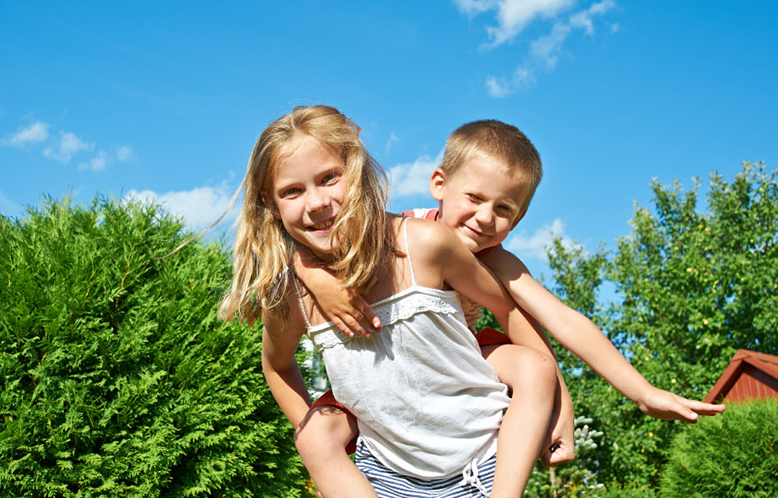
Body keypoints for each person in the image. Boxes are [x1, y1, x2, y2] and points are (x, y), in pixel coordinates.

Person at [290, 117, 727, 495]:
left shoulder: (497, 261)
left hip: (462, 361)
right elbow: (323, 235)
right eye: (475, 199)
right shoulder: (407, 233)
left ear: (517, 221)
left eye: (504, 209)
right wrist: (311, 275)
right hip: (389, 367)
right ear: (439, 184)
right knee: (317, 432)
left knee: (530, 365)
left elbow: (561, 322)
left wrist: (637, 393)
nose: (485, 218)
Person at [223, 105, 561, 498]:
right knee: (313, 435)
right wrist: (318, 434)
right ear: (270, 204)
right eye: (292, 191)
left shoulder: (423, 244)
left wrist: (559, 402)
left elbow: (509, 307)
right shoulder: (290, 298)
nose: (315, 203)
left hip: (481, 464)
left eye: (329, 178)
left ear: (357, 171)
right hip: (383, 478)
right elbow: (277, 365)